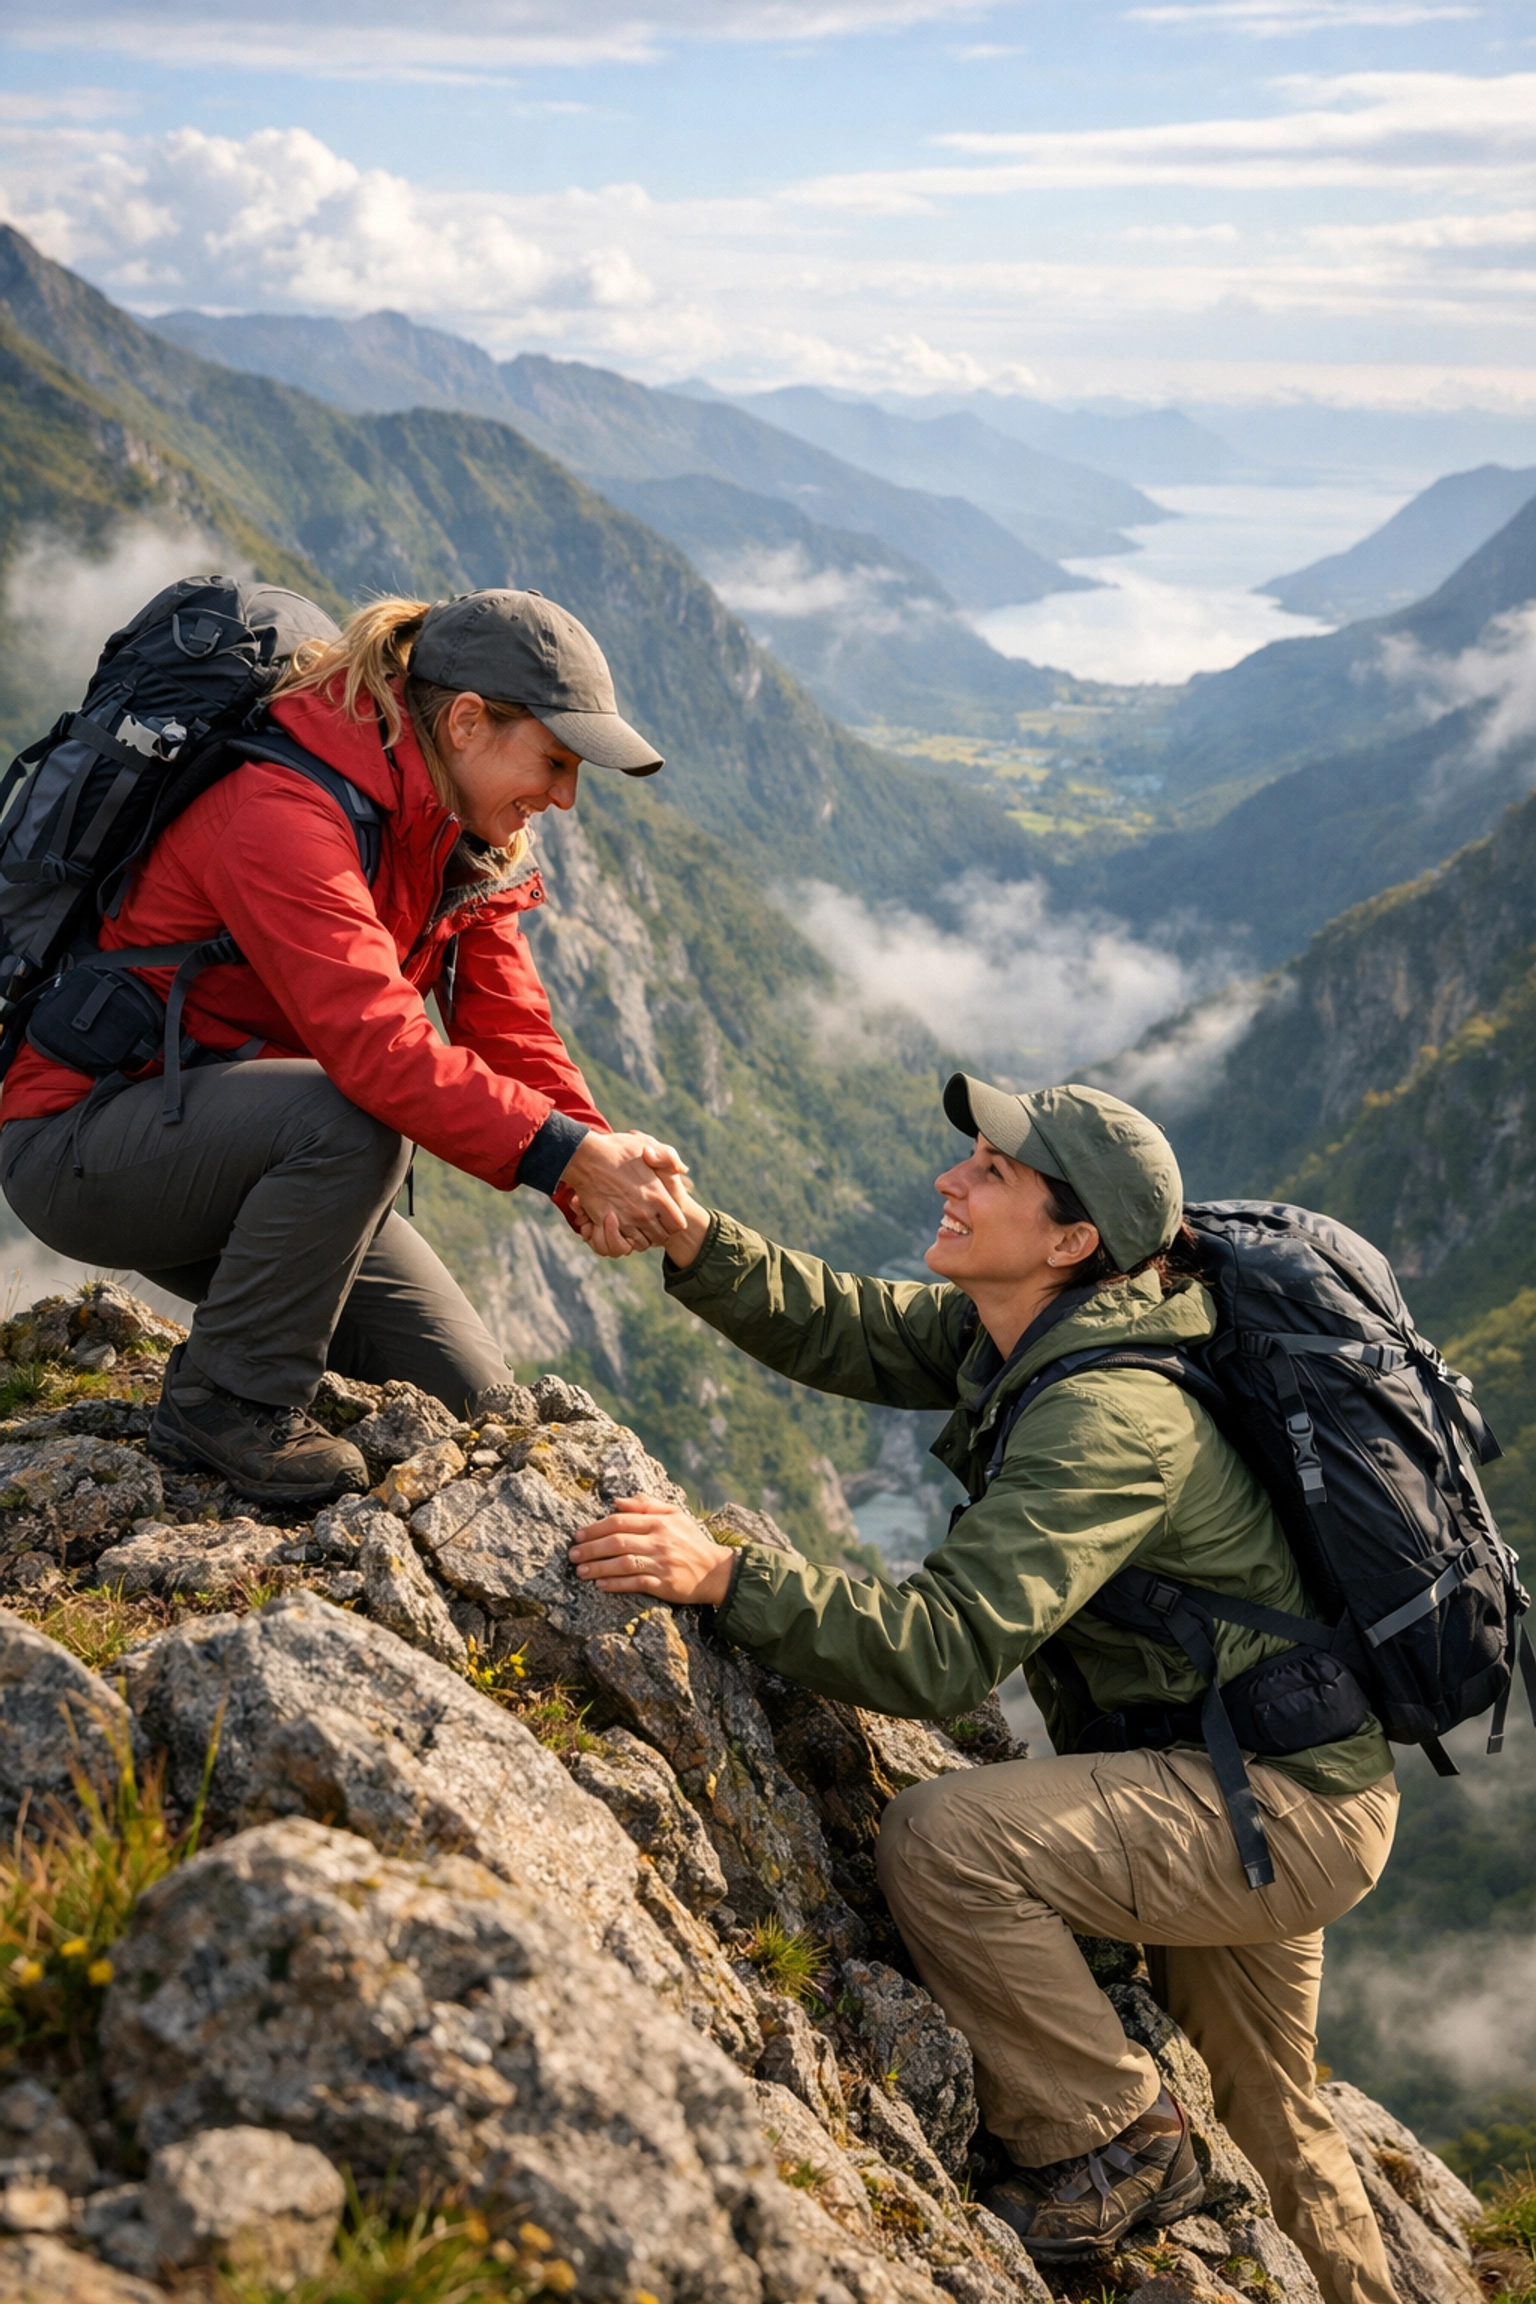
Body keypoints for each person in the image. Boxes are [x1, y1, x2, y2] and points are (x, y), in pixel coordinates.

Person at [567, 1076, 1400, 2304]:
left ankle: (1111, 2139)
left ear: (1071, 1243)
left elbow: (941, 1649)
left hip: (1271, 1806)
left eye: (993, 1174)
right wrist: (697, 1237)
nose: (953, 1182)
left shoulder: (1110, 1414)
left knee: (946, 1841)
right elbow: (846, 1326)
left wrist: (725, 1578)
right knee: (1275, 2119)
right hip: (1269, 1773)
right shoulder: (1034, 1330)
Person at [0, 589, 688, 1504]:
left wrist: (590, 1168)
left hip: (247, 1152)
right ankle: (226, 1401)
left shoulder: (454, 830)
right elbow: (381, 1050)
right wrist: (568, 1157)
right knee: (355, 1117)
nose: (564, 797)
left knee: (478, 1404)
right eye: (556, 761)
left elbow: (509, 1026)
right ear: (470, 722)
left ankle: (253, 1372)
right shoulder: (282, 811)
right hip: (82, 1140)